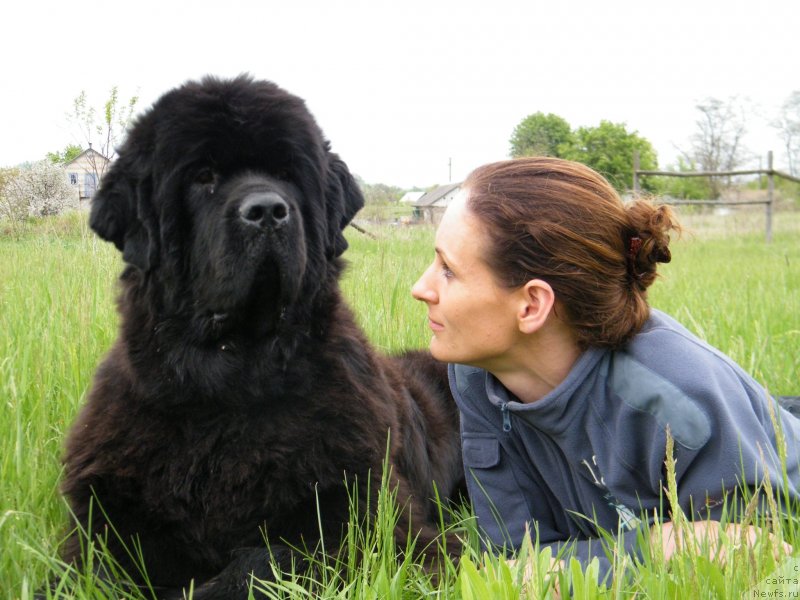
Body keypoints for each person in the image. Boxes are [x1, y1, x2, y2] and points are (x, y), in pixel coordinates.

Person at [411, 156, 799, 583]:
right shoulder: (476, 376)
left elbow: (768, 565)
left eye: (448, 269)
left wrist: (568, 567)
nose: (421, 287)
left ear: (532, 304)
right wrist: (654, 547)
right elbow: (512, 566)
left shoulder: (678, 401)